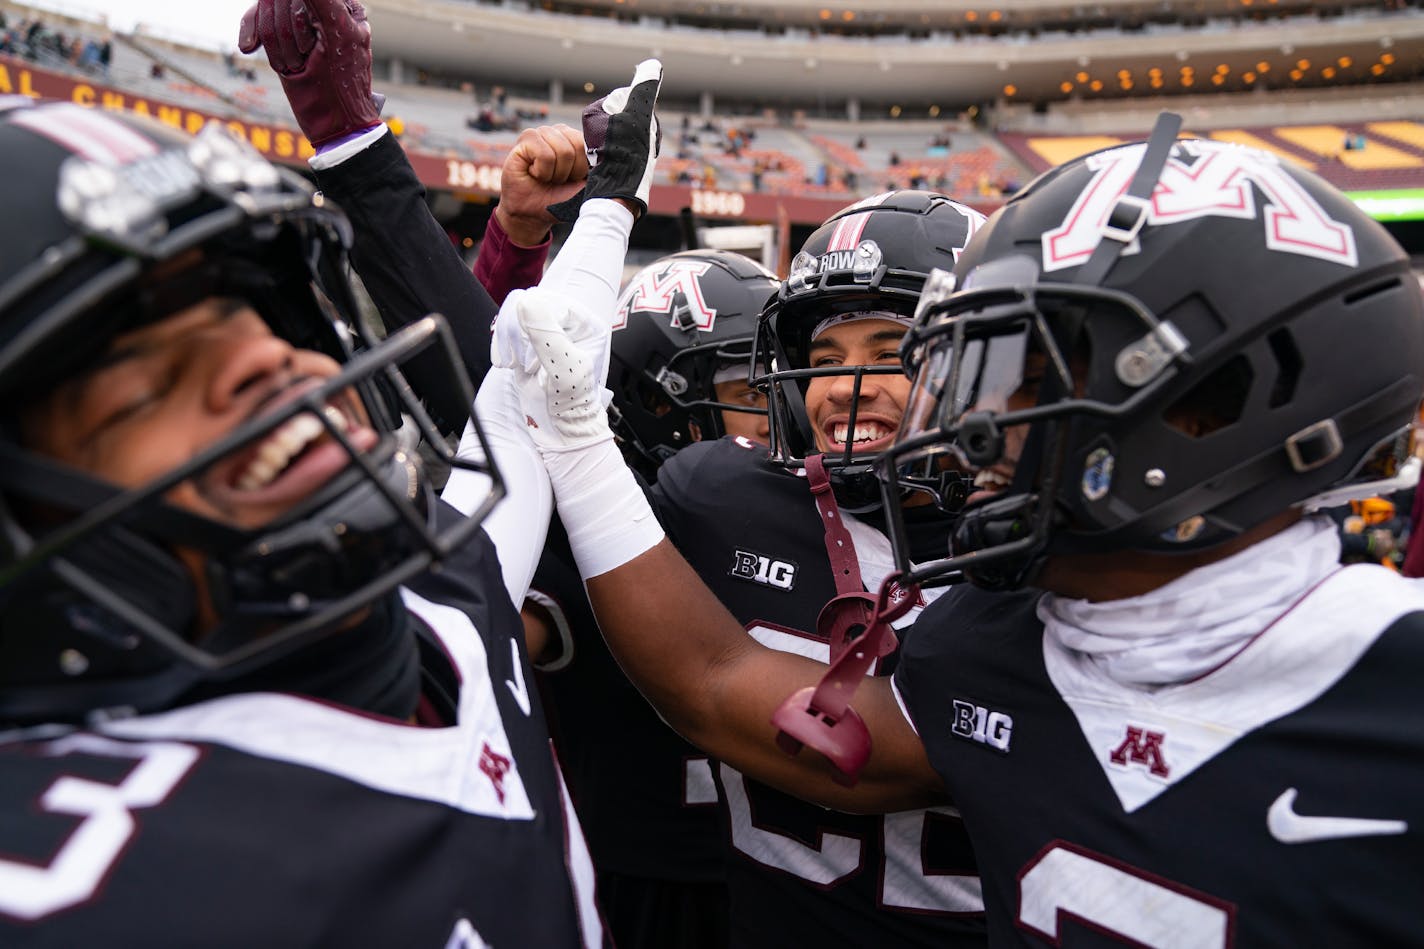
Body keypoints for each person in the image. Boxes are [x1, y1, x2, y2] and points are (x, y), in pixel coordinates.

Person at [507, 121, 1424, 945]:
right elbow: (717, 682)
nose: (975, 423)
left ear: (1219, 405)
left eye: (1024, 374)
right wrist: (579, 441)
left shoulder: (1390, 686)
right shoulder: (999, 641)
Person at [0, 27, 663, 940]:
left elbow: (535, 380)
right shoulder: (83, 886)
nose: (277, 366)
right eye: (145, 387)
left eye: (256, 317)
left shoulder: (447, 592)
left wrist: (608, 200)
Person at [532, 249, 779, 949]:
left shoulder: (806, 512)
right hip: (640, 887)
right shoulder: (589, 535)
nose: (781, 413)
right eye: (754, 393)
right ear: (661, 402)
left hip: (784, 884)